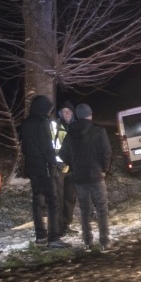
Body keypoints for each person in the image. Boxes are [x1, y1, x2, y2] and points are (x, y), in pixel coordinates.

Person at [58, 103, 116, 252]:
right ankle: (104, 241)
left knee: (85, 210)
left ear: (77, 115)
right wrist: (104, 169)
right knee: (102, 209)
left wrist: (74, 165)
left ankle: (87, 242)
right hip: (96, 176)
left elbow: (62, 154)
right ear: (90, 115)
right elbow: (107, 153)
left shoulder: (70, 133)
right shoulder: (99, 131)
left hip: (79, 177)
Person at [19, 95, 67, 249]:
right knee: (53, 201)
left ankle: (40, 235)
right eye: (49, 109)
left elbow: (24, 148)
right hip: (45, 168)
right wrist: (57, 164)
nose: (49, 112)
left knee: (37, 201)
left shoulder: (25, 123)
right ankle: (54, 237)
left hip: (32, 169)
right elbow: (47, 148)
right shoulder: (43, 123)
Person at [51, 101, 78, 236]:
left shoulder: (76, 127)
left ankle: (67, 224)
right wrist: (57, 164)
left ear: (73, 114)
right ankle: (58, 228)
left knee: (70, 198)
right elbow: (49, 148)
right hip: (59, 169)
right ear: (60, 114)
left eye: (69, 112)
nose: (67, 114)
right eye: (64, 111)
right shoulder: (54, 127)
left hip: (73, 169)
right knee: (59, 199)